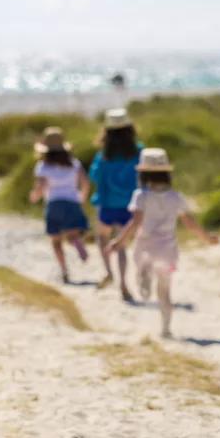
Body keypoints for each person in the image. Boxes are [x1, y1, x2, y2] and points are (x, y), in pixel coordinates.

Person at [107, 148, 219, 338]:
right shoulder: (176, 197)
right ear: (166, 174)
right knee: (165, 292)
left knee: (141, 262)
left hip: (145, 245)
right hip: (167, 249)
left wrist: (119, 241)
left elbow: (135, 223)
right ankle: (166, 329)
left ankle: (144, 270)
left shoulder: (141, 196)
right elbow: (190, 223)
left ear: (142, 174)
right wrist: (207, 238)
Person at [89, 108, 143, 300]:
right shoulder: (138, 152)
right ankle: (123, 284)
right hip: (130, 204)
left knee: (102, 238)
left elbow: (94, 176)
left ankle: (108, 272)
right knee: (121, 244)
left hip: (107, 204)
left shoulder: (103, 155)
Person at [28, 128, 92, 284]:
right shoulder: (74, 164)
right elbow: (85, 183)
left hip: (54, 204)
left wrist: (34, 197)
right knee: (72, 234)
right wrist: (81, 198)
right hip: (72, 202)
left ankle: (64, 270)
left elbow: (41, 186)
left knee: (56, 241)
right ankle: (77, 242)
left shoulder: (43, 166)